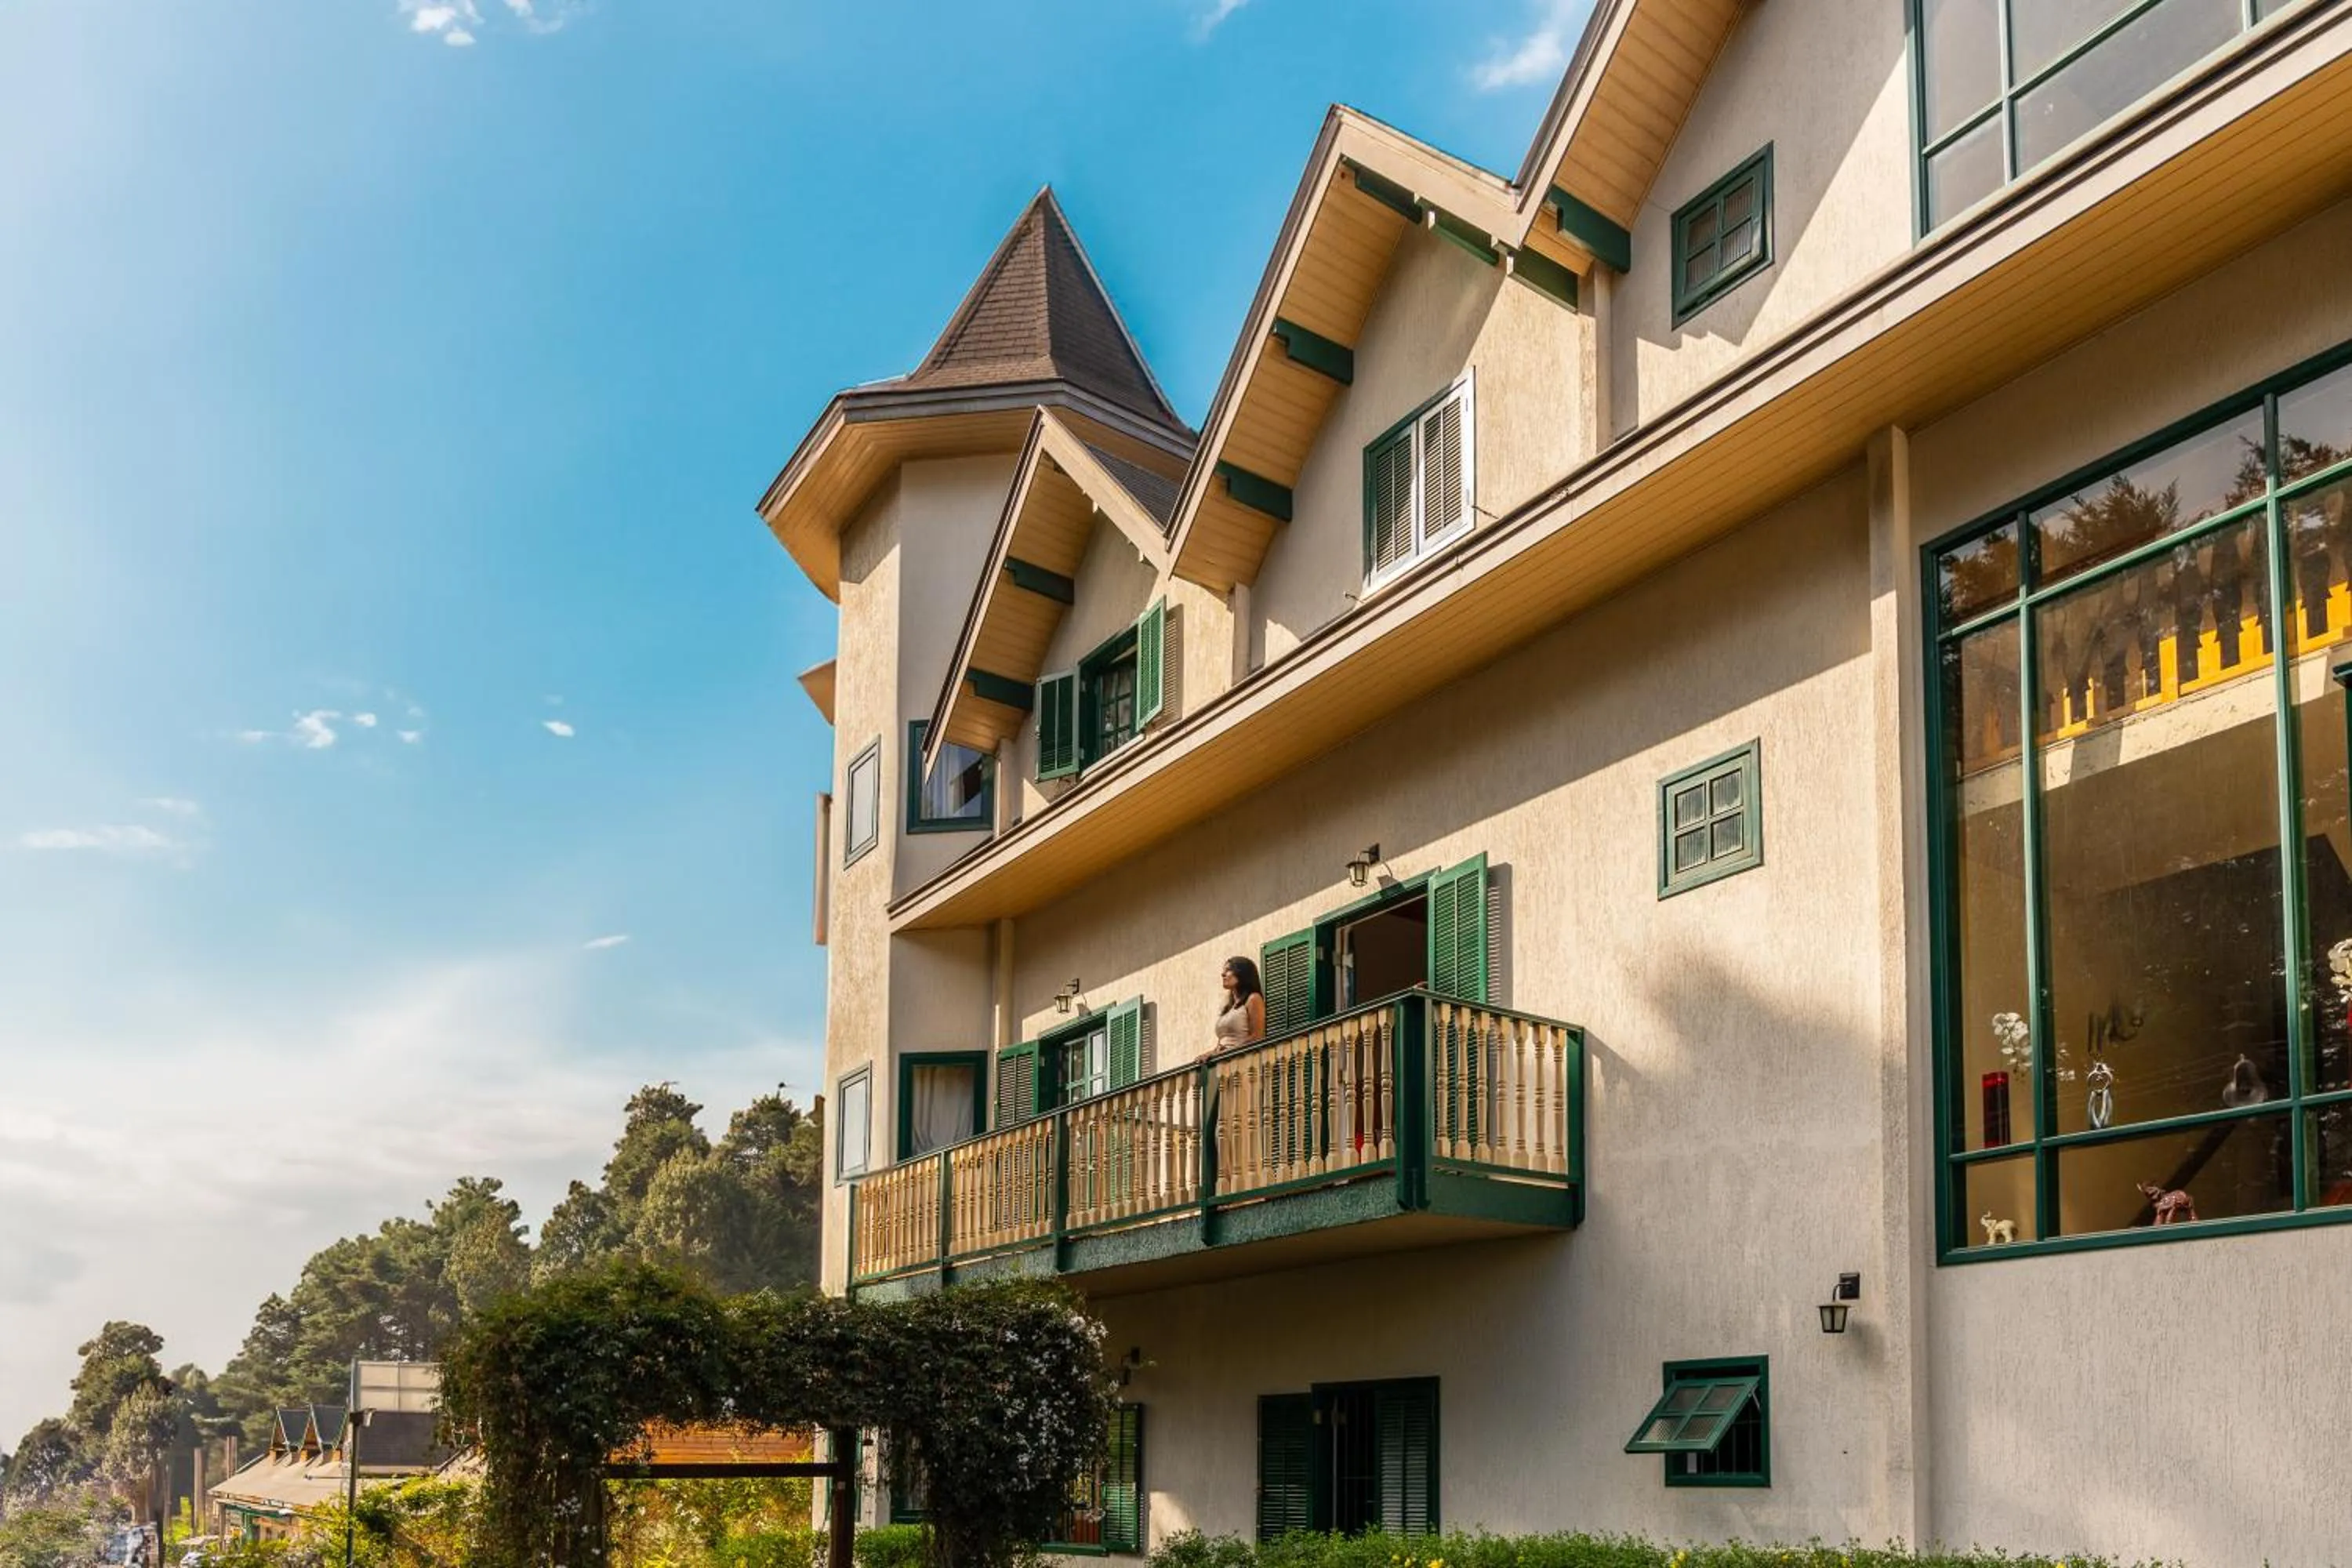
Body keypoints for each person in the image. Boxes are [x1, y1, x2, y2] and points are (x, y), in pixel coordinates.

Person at [1214, 956, 1265, 1052]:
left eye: (1228, 970)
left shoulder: (1253, 999)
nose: (1223, 974)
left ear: (1242, 974)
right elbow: (1222, 1044)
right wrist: (1210, 1054)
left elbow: (1257, 1037)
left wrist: (1230, 1051)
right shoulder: (1229, 1009)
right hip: (1225, 1062)